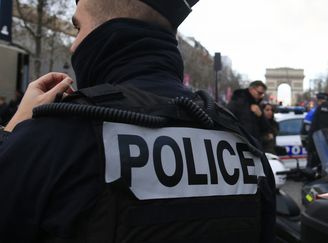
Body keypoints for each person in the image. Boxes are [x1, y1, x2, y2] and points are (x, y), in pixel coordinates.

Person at [0, 0, 275, 242]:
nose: (73, 45)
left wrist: (15, 132)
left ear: (104, 30)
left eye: (77, 27)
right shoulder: (245, 146)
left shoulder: (53, 136)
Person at [227, 80, 271, 148]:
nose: (261, 96)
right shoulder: (237, 102)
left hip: (254, 146)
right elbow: (227, 120)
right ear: (251, 89)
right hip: (239, 144)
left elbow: (266, 129)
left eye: (263, 94)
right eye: (259, 93)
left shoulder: (258, 106)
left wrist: (260, 116)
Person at [300, 92, 328, 169]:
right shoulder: (312, 113)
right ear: (319, 101)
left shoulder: (313, 113)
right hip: (316, 148)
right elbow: (305, 131)